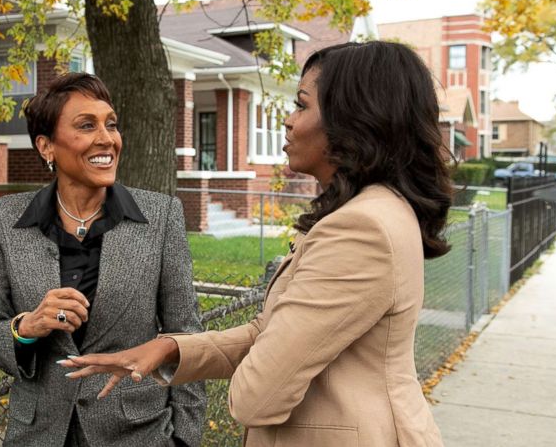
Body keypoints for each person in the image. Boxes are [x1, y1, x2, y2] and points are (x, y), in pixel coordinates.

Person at [63, 41, 452, 446]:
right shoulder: (376, 209)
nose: (287, 120)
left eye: (302, 106)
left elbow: (257, 397)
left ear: (354, 121)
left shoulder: (360, 228)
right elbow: (272, 331)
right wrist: (169, 348)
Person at [0, 73, 205, 447]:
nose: (107, 139)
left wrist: (186, 440)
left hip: (137, 434)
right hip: (38, 435)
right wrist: (26, 327)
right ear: (47, 147)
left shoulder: (161, 217)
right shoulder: (2, 220)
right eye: (86, 125)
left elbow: (187, 339)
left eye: (111, 124)